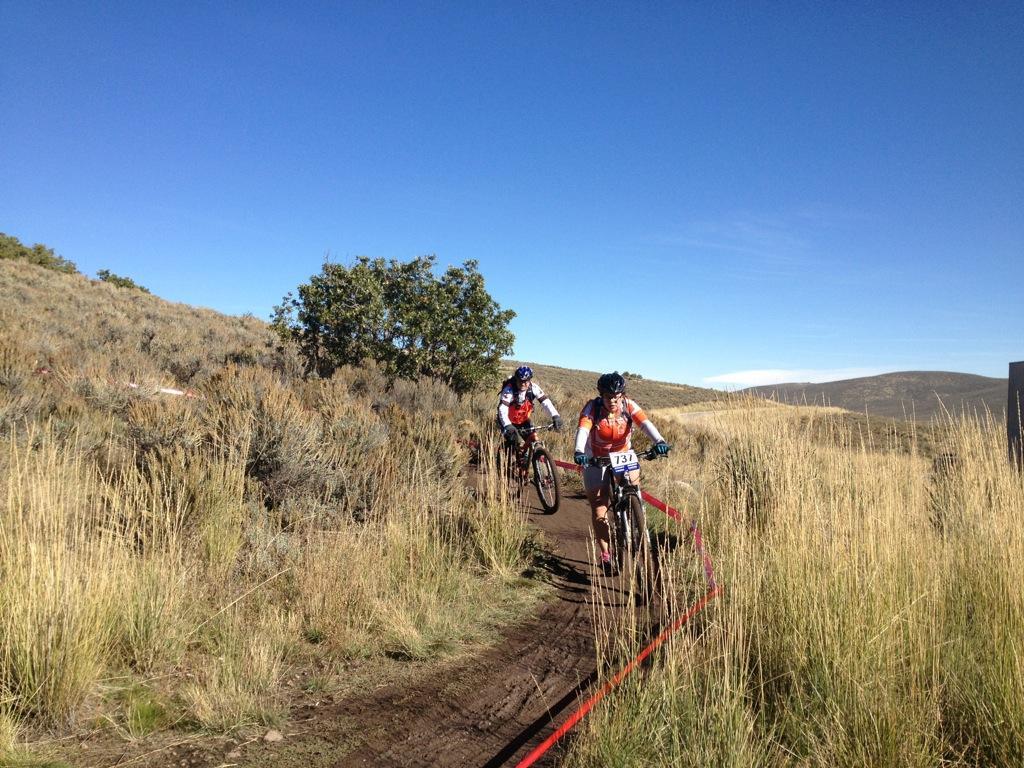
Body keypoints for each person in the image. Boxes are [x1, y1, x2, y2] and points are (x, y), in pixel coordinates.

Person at [573, 372, 670, 575]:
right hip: (596, 458)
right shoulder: (593, 408)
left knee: (634, 490)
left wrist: (659, 441)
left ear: (622, 395)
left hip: (623, 454)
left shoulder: (628, 405)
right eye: (608, 397)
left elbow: (645, 423)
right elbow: (583, 429)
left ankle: (636, 519)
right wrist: (579, 451)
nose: (613, 401)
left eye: (617, 397)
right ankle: (607, 554)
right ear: (602, 395)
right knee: (599, 509)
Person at [497, 366, 563, 463]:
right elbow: (502, 409)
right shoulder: (509, 390)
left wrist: (555, 416)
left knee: (534, 439)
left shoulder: (534, 388)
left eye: (526, 381)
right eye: (520, 381)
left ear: (530, 380)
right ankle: (512, 463)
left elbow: (546, 402)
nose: (523, 384)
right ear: (516, 380)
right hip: (508, 421)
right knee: (517, 442)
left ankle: (531, 464)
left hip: (523, 420)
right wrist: (507, 425)